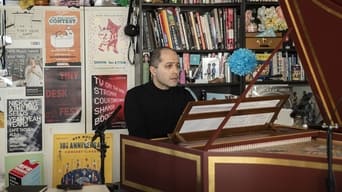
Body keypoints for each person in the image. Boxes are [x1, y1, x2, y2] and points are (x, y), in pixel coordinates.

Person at [124, 47, 195, 139]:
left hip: (182, 151)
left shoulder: (185, 95)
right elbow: (138, 138)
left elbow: (193, 131)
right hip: (148, 151)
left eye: (177, 66)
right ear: (153, 70)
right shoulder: (135, 96)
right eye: (169, 66)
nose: (175, 71)